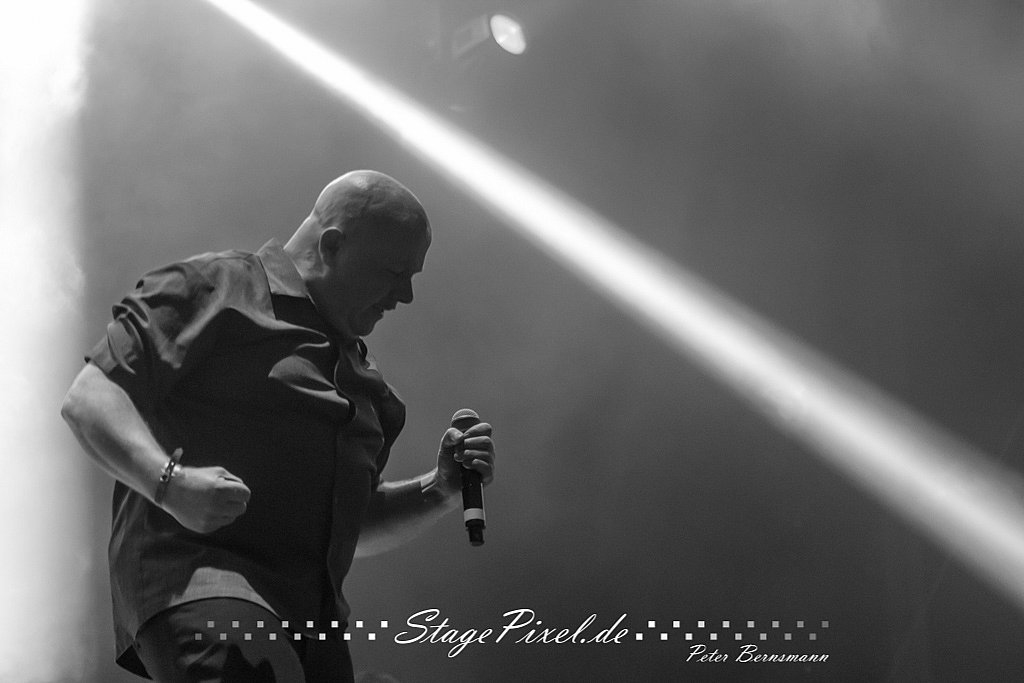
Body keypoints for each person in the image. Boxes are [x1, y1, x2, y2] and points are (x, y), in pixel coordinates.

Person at [61, 170, 496, 682]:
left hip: (314, 635)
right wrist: (169, 484)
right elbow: (90, 398)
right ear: (332, 245)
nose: (406, 295)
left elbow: (350, 525)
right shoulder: (218, 287)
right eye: (394, 271)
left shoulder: (366, 384)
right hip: (205, 587)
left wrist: (439, 489)